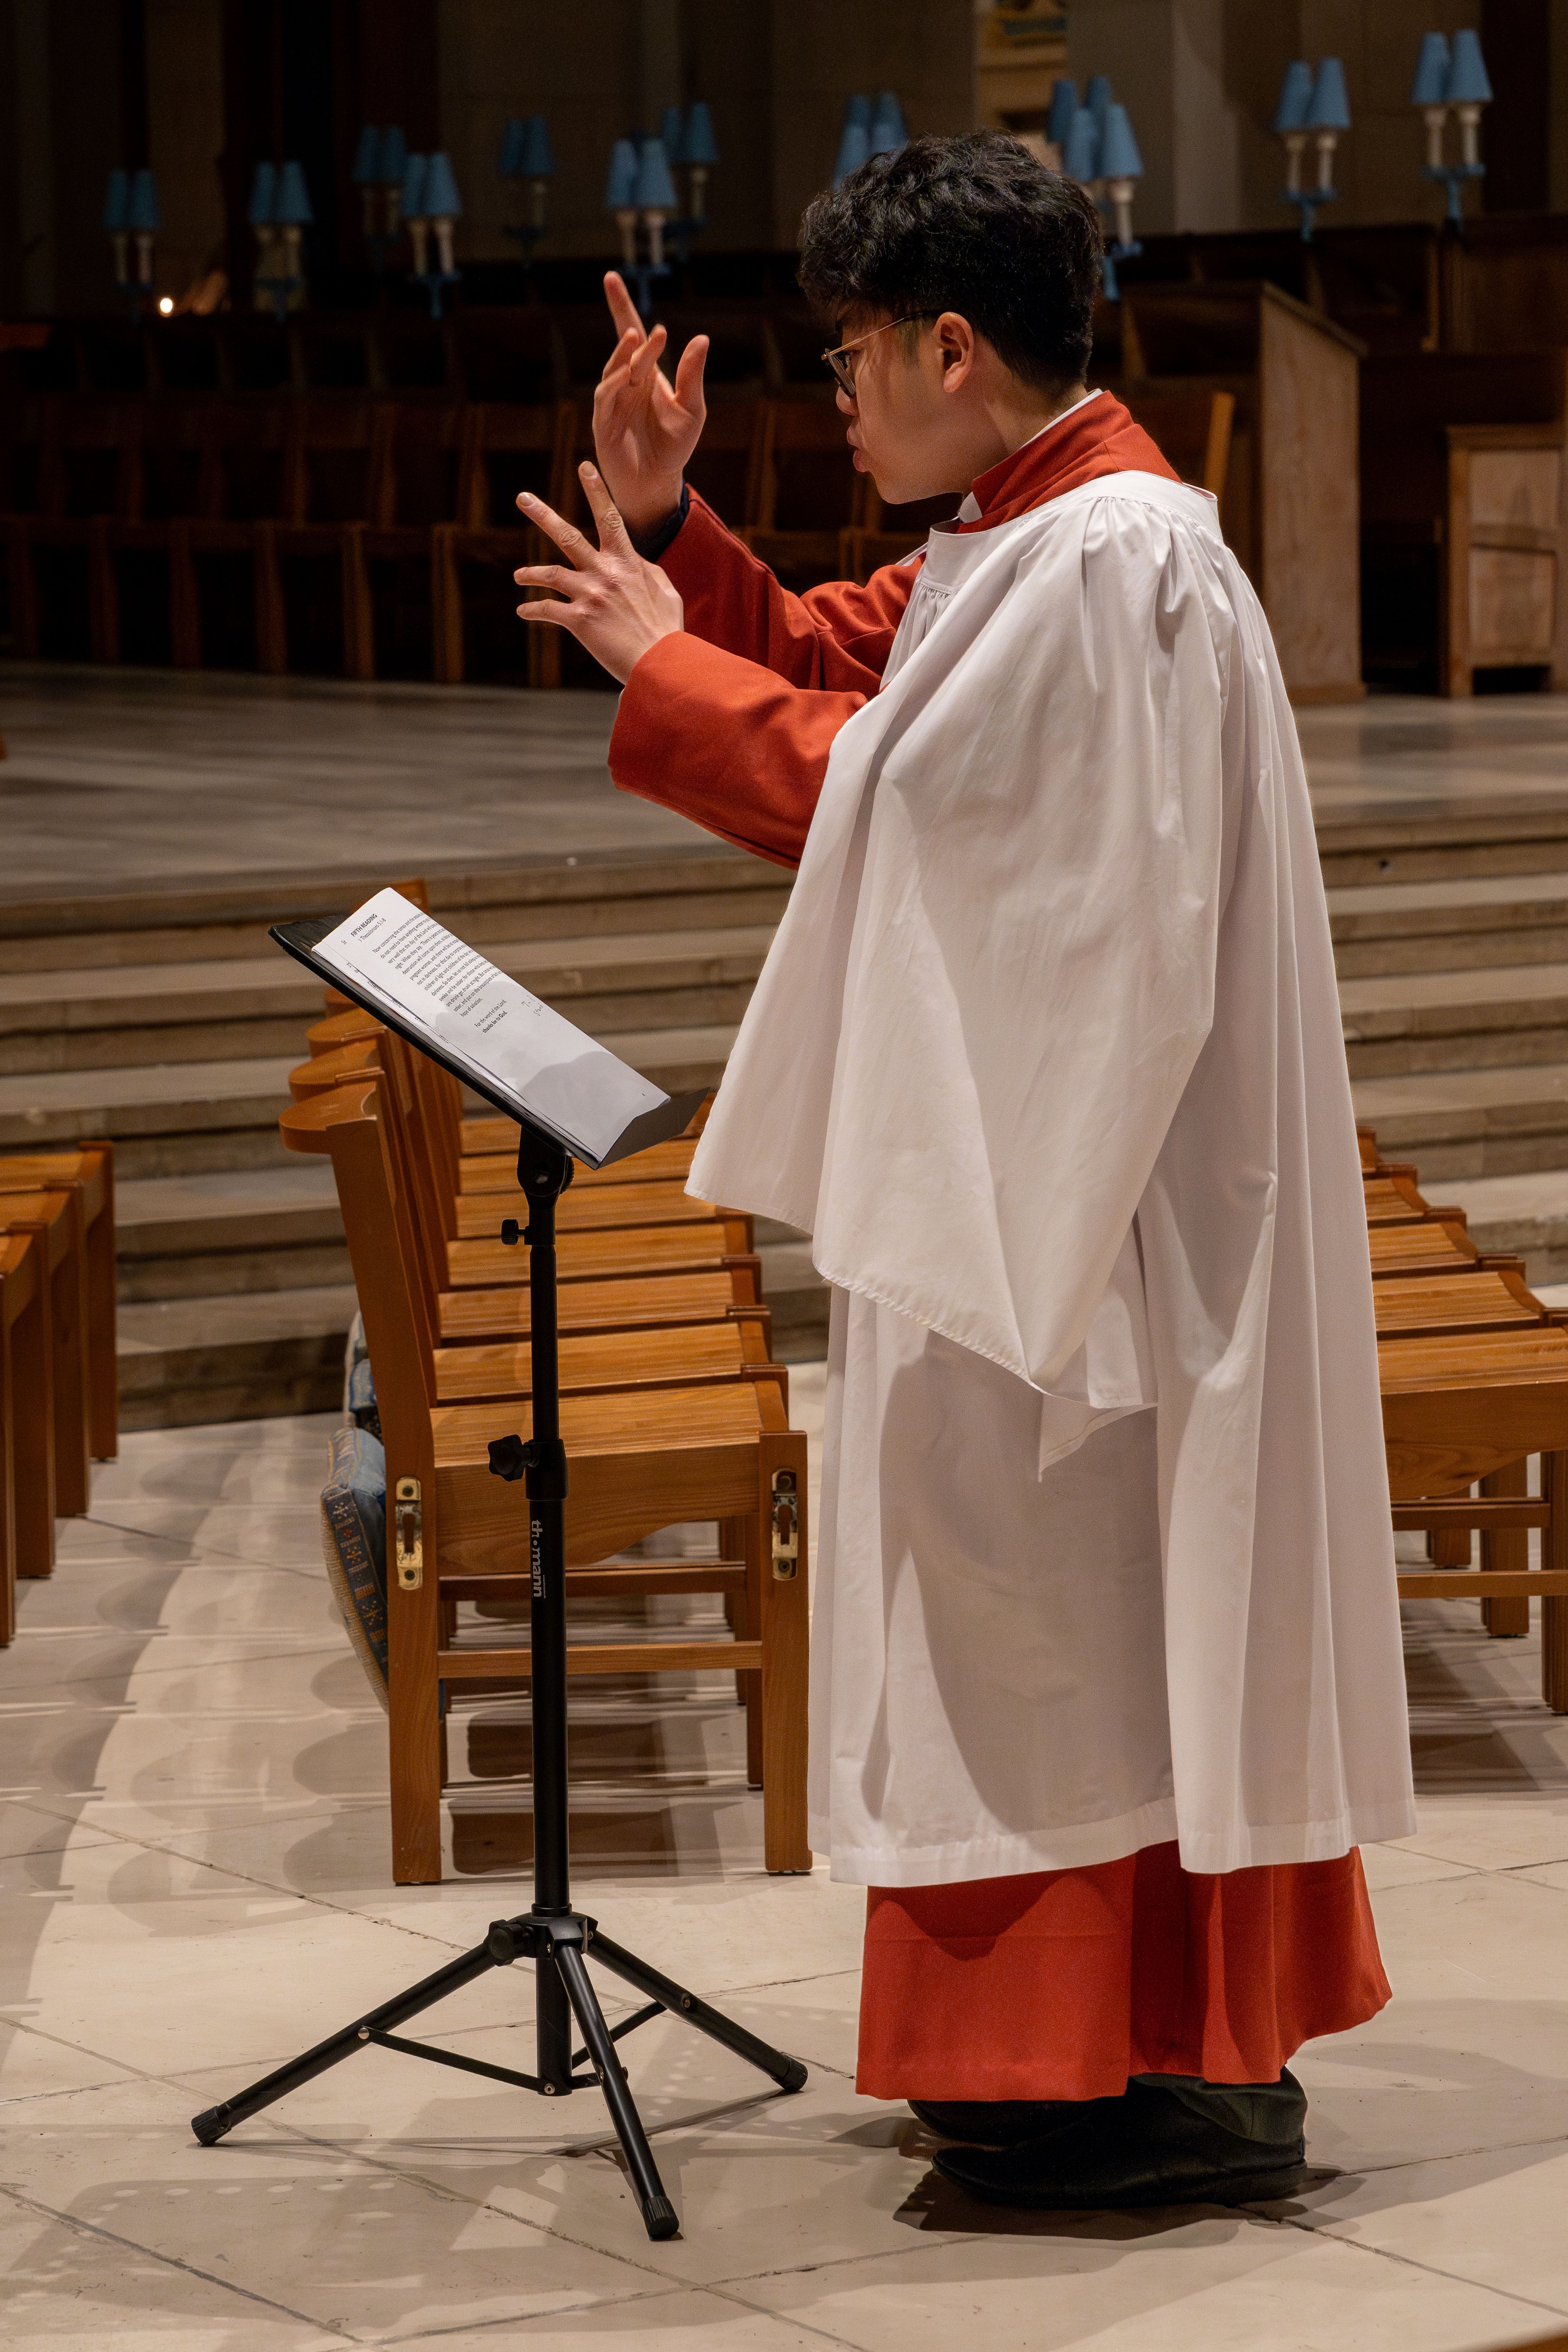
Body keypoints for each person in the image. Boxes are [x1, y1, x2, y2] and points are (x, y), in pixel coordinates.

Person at [508, 132, 1416, 2212]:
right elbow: (865, 668)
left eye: (844, 350)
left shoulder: (1112, 560)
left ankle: (1119, 2065)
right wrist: (673, 534)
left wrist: (661, 659)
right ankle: (1094, 2053)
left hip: (1099, 1225)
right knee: (1051, 1615)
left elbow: (902, 797)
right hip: (1056, 1182)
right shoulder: (1034, 525)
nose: (830, 389)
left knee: (1067, 1613)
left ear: (947, 341)